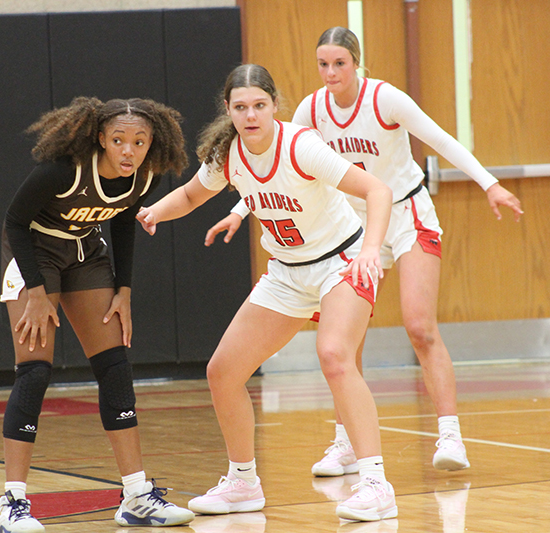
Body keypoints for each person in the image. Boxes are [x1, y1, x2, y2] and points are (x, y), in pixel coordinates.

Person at [206, 27, 524, 475]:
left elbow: (439, 139)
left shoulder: (384, 99)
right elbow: (272, 163)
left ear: (357, 63)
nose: (331, 72)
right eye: (323, 64)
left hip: (404, 211)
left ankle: (450, 433)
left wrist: (489, 184)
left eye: (340, 63)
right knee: (344, 340)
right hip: (354, 225)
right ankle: (345, 444)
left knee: (419, 326)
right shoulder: (310, 109)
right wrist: (241, 210)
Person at [137, 64, 397, 522]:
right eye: (241, 107)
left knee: (335, 355)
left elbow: (376, 190)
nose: (251, 114)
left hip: (343, 259)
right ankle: (243, 482)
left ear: (274, 105)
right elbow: (194, 196)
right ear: (228, 110)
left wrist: (371, 250)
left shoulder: (302, 145)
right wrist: (153, 211)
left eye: (259, 105)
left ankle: (375, 483)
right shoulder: (227, 154)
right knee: (222, 371)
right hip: (288, 272)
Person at [0, 97, 195, 533]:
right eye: (119, 140)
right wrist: (39, 292)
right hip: (33, 252)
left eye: (139, 142)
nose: (128, 150)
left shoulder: (145, 174)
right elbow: (13, 221)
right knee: (35, 371)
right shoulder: (63, 170)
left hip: (85, 253)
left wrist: (124, 290)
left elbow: (123, 220)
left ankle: (136, 495)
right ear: (101, 138)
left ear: (150, 143)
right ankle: (11, 504)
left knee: (115, 367)